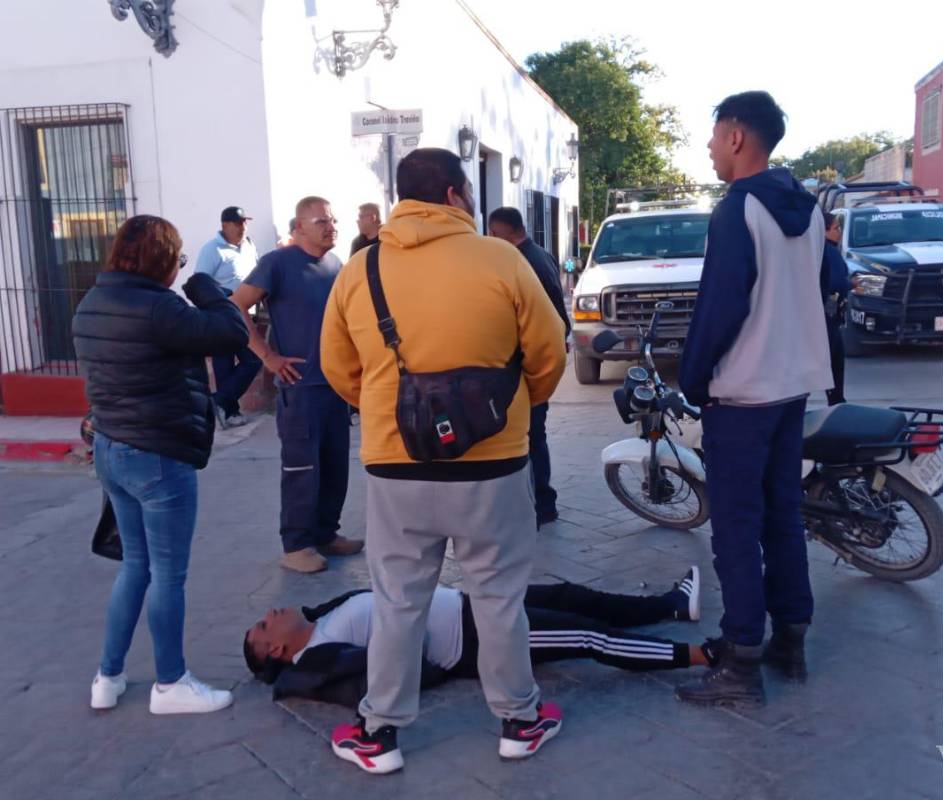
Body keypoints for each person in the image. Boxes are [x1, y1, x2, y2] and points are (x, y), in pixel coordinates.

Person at [320, 148, 567, 772]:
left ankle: (379, 733)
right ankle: (519, 721)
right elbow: (548, 352)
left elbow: (338, 368)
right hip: (494, 462)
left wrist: (383, 413)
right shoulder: (501, 259)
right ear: (456, 195)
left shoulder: (360, 268)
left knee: (398, 600)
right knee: (499, 596)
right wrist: (515, 411)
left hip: (395, 463)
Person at [677, 91, 832, 708]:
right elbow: (830, 282)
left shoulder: (736, 209)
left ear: (737, 136)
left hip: (742, 393)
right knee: (782, 516)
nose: (710, 147)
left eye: (715, 135)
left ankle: (741, 663)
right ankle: (790, 641)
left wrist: (693, 381)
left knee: (737, 530)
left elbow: (719, 309)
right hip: (792, 387)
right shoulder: (809, 209)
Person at [72, 215, 249, 715]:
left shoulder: (91, 303)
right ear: (163, 260)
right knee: (168, 575)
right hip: (157, 455)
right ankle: (171, 684)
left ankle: (108, 677)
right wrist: (206, 289)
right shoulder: (159, 308)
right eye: (179, 259)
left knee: (136, 566)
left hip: (112, 449)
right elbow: (232, 333)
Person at [242, 567, 705, 717]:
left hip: (474, 603)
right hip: (478, 637)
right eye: (264, 627)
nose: (271, 613)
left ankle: (670, 606)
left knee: (572, 597)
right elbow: (385, 674)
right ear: (278, 651)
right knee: (585, 636)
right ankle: (699, 656)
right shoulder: (322, 657)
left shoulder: (321, 620)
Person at [231, 197, 363, 574]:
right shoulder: (278, 263)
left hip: (336, 387)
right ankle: (296, 545)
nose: (331, 227)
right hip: (300, 388)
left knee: (335, 466)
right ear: (300, 227)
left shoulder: (336, 266)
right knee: (302, 468)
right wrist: (267, 355)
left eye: (333, 220)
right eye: (322, 221)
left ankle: (325, 534)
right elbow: (234, 305)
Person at [486, 206, 571, 528]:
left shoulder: (523, 262)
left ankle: (540, 504)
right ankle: (540, 502)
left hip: (528, 364)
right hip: (536, 361)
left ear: (501, 232)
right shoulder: (539, 254)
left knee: (531, 436)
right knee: (534, 435)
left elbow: (542, 321)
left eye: (492, 233)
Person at [193, 205, 263, 428]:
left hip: (245, 315)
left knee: (253, 360)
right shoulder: (212, 249)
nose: (243, 227)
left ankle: (220, 402)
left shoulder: (249, 246)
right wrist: (224, 297)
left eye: (245, 223)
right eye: (238, 223)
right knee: (225, 365)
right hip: (220, 316)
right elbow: (200, 285)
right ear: (225, 225)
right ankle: (229, 412)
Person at [821, 211, 851, 405]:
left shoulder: (826, 250)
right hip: (828, 315)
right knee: (833, 361)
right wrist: (851, 284)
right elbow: (833, 282)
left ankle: (836, 399)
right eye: (836, 228)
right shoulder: (828, 252)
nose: (839, 232)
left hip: (829, 315)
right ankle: (836, 401)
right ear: (824, 231)